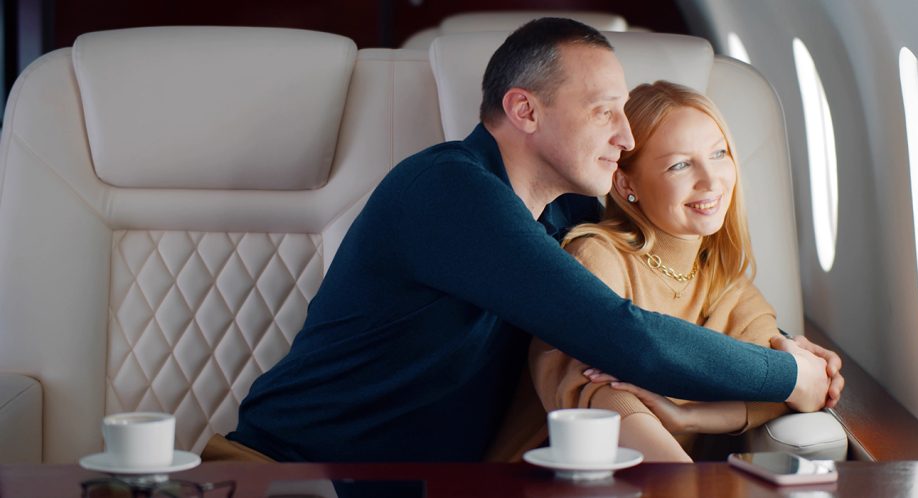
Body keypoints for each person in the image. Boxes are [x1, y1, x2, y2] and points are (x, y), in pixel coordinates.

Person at [207, 17, 841, 463]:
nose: (626, 138)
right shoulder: (446, 191)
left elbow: (670, 271)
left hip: (403, 487)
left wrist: (782, 342)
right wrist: (787, 374)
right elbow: (626, 337)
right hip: (285, 473)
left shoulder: (561, 217)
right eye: (605, 111)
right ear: (526, 111)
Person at [529, 81, 798, 462]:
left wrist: (690, 417)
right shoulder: (596, 256)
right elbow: (593, 391)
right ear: (625, 183)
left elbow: (787, 388)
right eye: (680, 164)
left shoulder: (726, 281)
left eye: (719, 153)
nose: (710, 180)